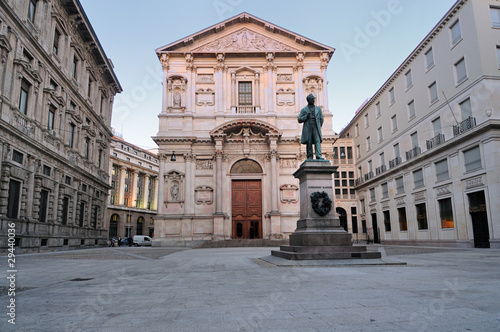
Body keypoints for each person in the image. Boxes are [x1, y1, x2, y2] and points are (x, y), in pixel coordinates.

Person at [298, 94, 324, 160]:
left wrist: (318, 126)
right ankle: (309, 156)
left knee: (317, 140)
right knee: (309, 142)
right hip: (308, 126)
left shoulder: (318, 109)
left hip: (315, 126)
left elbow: (321, 119)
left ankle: (318, 155)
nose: (313, 100)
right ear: (308, 100)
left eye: (313, 99)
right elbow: (299, 119)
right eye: (312, 99)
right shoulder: (304, 110)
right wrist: (306, 117)